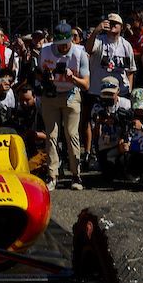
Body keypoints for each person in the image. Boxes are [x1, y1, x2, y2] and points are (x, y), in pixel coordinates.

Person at [37, 21, 90, 190]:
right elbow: (38, 74)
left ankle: (76, 174)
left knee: (71, 134)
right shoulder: (45, 50)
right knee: (51, 135)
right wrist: (46, 77)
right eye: (58, 44)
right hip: (50, 95)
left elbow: (86, 84)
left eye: (65, 44)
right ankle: (52, 175)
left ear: (71, 40)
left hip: (71, 95)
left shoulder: (79, 53)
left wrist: (72, 78)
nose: (61, 48)